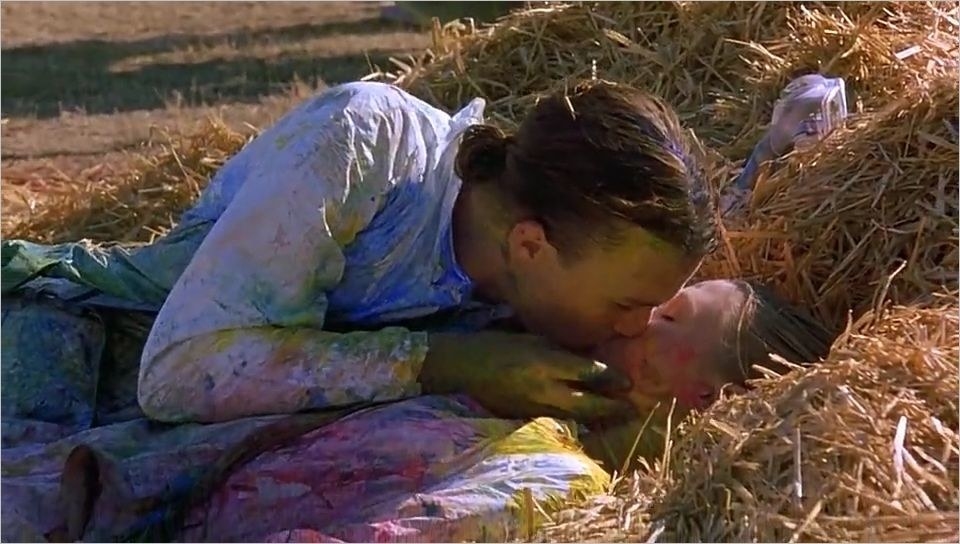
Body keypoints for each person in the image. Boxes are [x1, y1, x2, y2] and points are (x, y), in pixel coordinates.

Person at [2, 79, 716, 442]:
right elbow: (179, 373)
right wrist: (441, 362)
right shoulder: (366, 145)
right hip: (76, 351)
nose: (634, 328)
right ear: (531, 244)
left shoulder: (546, 281)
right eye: (627, 306)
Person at [1, 279, 834, 542]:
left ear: (706, 399)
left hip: (87, 518)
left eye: (674, 313)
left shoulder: (554, 479)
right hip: (99, 471)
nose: (644, 307)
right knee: (54, 296)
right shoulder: (512, 363)